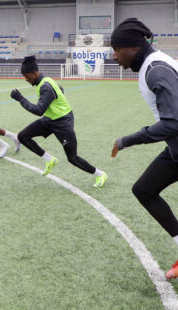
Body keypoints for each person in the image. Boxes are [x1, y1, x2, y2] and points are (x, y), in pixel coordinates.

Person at [110, 18, 178, 279]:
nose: (115, 56)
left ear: (134, 48)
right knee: (144, 189)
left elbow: (173, 123)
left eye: (117, 50)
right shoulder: (153, 64)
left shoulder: (156, 69)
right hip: (175, 149)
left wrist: (128, 140)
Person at [10, 55, 108, 187]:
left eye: (27, 76)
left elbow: (38, 110)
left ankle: (100, 174)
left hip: (62, 123)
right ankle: (49, 160)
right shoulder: (45, 80)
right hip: (50, 119)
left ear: (34, 73)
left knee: (72, 158)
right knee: (22, 136)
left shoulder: (45, 86)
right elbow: (61, 90)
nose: (26, 79)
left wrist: (21, 99)